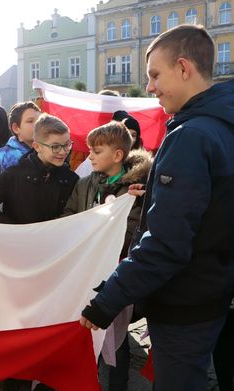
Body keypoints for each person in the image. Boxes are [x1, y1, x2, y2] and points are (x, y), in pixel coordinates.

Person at [79, 24, 234, 391]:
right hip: (214, 291)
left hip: (186, 304)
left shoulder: (191, 136)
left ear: (184, 68)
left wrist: (107, 300)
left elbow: (167, 243)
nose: (149, 87)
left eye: (154, 75)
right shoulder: (221, 127)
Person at [62, 121, 152, 391]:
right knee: (89, 329)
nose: (89, 156)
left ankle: (117, 385)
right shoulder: (85, 184)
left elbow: (133, 231)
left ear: (117, 155)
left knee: (117, 336)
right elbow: (69, 217)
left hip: (116, 273)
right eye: (90, 149)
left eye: (96, 151)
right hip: (87, 269)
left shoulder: (136, 189)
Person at [0, 113, 78, 224]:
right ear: (37, 147)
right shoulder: (14, 175)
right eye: (55, 147)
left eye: (67, 145)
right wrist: (11, 228)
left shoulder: (71, 179)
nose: (63, 152)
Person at [0, 101, 41, 183]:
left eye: (40, 121)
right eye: (30, 121)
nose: (37, 125)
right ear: (16, 128)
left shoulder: (47, 153)